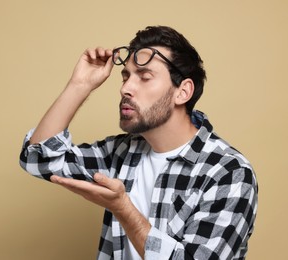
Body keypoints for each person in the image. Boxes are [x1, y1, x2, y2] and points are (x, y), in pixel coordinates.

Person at [19, 25, 258, 260]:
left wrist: (123, 209)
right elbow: (37, 158)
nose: (126, 88)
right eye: (125, 76)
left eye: (144, 77)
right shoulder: (121, 153)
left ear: (182, 92)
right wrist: (79, 85)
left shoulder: (228, 173)